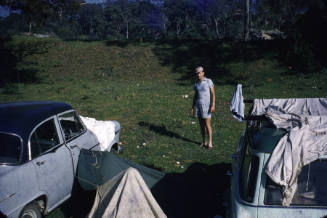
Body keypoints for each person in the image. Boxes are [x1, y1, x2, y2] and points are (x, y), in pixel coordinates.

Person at [191, 66, 215, 150]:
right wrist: (192, 106)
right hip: (198, 106)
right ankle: (203, 141)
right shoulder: (196, 83)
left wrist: (213, 105)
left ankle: (210, 143)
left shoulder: (208, 81)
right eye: (197, 73)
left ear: (203, 73)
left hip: (207, 106)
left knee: (207, 124)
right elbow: (195, 95)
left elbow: (213, 94)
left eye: (200, 73)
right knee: (201, 125)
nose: (198, 74)